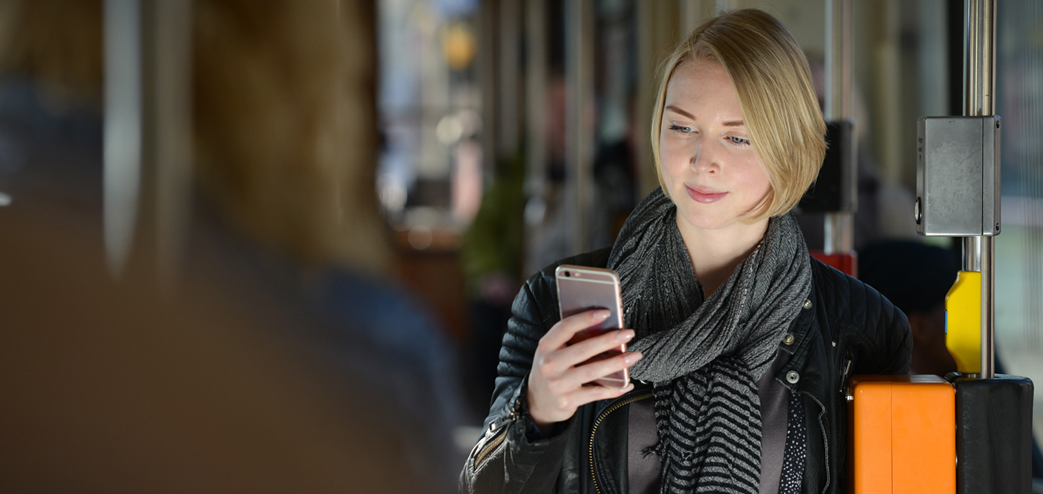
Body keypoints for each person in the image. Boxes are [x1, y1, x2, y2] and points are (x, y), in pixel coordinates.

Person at [460, 9, 911, 494]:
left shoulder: (863, 328)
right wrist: (537, 417)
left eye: (737, 137)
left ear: (789, 147)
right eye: (682, 128)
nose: (702, 160)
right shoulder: (552, 303)